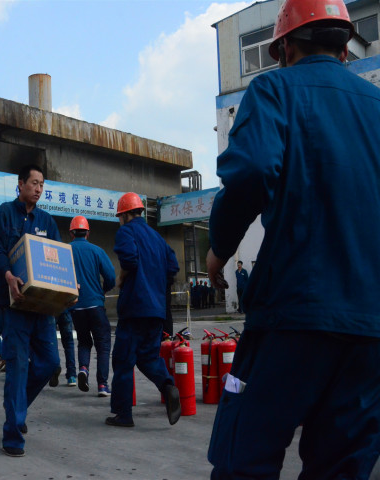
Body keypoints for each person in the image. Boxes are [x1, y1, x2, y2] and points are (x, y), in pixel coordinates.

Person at [206, 0, 380, 477]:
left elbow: (253, 171)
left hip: (293, 317)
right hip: (369, 331)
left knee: (246, 454)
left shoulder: (274, 90)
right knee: (343, 465)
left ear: (283, 47)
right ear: (346, 47)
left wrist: (219, 251)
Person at [0, 164, 63, 457]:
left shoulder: (48, 221)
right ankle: (13, 437)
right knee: (17, 370)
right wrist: (7, 275)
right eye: (34, 182)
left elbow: (58, 259)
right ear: (20, 184)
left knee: (48, 363)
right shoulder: (4, 214)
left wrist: (69, 290)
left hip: (43, 309)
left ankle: (17, 411)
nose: (38, 188)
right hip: (16, 307)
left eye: (42, 184)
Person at [107, 192, 181, 428]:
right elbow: (173, 266)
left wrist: (122, 277)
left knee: (123, 360)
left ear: (126, 214)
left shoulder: (127, 231)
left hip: (134, 308)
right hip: (156, 310)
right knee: (149, 357)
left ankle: (123, 414)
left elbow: (129, 259)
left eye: (120, 216)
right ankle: (168, 386)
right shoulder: (158, 238)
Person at [66, 216, 116, 396]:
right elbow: (111, 276)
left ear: (71, 233)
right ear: (88, 232)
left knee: (84, 341)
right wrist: (103, 290)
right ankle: (102, 385)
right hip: (95, 305)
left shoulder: (65, 250)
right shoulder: (97, 251)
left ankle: (83, 370)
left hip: (75, 307)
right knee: (103, 344)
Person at [50, 310, 77, 387]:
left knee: (52, 341)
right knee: (68, 343)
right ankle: (71, 376)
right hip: (66, 309)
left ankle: (55, 367)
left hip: (51, 311)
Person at [163, 243, 179, 337]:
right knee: (166, 313)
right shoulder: (162, 244)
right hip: (165, 286)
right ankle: (167, 339)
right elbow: (174, 267)